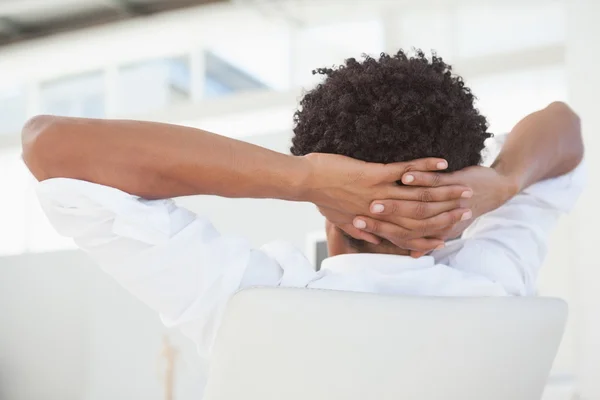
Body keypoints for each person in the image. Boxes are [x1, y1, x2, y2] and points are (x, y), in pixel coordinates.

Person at [22, 50, 584, 362]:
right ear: (463, 198)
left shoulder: (247, 300)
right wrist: (504, 183)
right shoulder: (496, 284)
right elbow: (564, 126)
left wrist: (303, 177)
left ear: (328, 203)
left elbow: (47, 145)